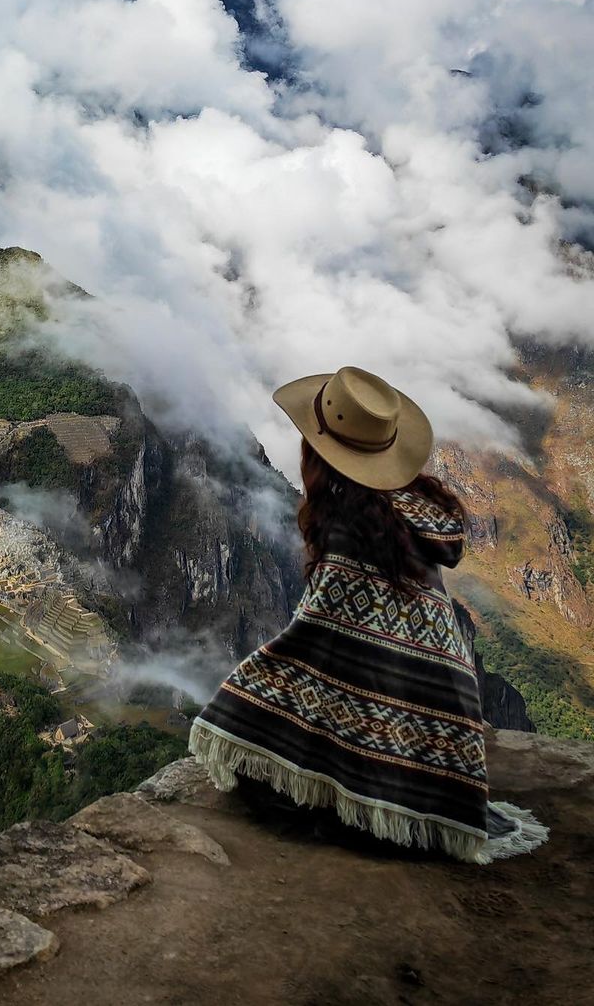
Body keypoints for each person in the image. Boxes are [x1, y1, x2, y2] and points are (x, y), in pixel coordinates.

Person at [189, 366, 548, 863]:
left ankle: (372, 799)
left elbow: (309, 652)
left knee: (257, 747)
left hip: (399, 748)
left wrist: (235, 709)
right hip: (442, 745)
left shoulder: (351, 537)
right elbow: (346, 655)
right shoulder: (409, 518)